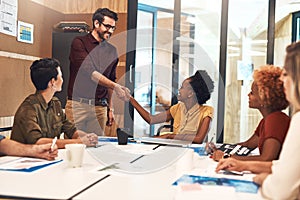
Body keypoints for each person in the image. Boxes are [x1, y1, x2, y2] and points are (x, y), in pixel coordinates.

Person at [216, 41, 300, 199]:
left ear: (264, 97)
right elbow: (250, 146)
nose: (283, 79)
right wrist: (237, 161)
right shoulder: (271, 119)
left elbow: (270, 165)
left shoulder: (279, 120)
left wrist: (263, 178)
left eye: (287, 73)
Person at [65, 8, 130, 136]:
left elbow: (111, 80)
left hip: (100, 107)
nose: (110, 31)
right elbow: (92, 73)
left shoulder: (112, 51)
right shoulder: (79, 43)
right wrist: (116, 87)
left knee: (97, 147)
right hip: (78, 105)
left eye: (113, 28)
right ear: (96, 24)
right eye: (107, 26)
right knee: (73, 145)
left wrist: (110, 108)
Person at [10, 58, 98, 148]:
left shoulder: (55, 104)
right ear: (52, 82)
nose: (63, 80)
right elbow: (38, 142)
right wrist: (79, 142)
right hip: (24, 158)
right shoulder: (28, 108)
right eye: (61, 76)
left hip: (47, 156)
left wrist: (86, 137)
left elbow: (70, 129)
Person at [212, 65, 290, 162]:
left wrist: (227, 157)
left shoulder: (275, 120)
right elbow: (248, 144)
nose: (248, 95)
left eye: (252, 93)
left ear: (263, 98)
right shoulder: (268, 120)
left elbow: (267, 158)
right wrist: (219, 149)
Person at [127, 70, 214, 144]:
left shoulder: (206, 112)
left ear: (190, 94)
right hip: (174, 149)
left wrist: (170, 136)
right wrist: (131, 99)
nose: (179, 90)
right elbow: (151, 119)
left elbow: (199, 139)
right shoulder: (177, 108)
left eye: (182, 87)